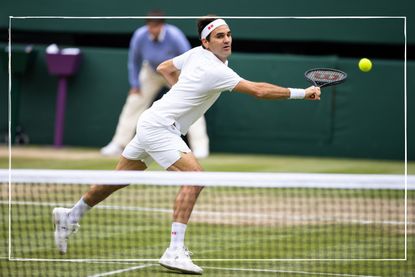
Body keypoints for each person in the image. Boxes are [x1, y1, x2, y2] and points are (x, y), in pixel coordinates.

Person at [52, 16, 321, 275]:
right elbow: (259, 90)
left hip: (153, 121)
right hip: (159, 127)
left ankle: (69, 216)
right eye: (219, 36)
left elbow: (165, 67)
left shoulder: (195, 54)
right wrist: (303, 92)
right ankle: (174, 250)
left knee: (117, 180)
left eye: (228, 34)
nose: (226, 40)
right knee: (195, 178)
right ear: (207, 42)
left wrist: (181, 91)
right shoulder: (216, 70)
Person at [100, 10, 210, 159]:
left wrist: (187, 83)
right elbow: (134, 61)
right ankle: (119, 144)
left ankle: (200, 148)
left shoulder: (175, 35)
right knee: (134, 102)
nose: (153, 29)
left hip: (174, 72)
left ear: (162, 25)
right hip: (151, 72)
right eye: (150, 26)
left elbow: (188, 58)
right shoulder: (140, 36)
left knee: (191, 104)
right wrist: (135, 84)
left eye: (156, 25)